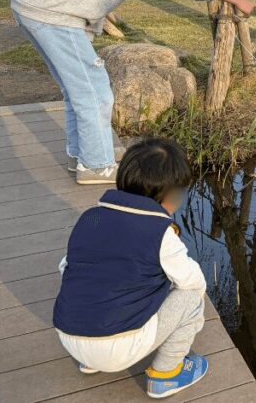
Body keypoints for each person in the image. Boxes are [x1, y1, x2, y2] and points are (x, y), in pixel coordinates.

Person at [11, 0, 255, 185]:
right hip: (51, 13)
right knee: (95, 91)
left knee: (80, 89)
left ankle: (83, 156)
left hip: (36, 6)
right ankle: (96, 166)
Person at [54, 137, 209, 399]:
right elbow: (193, 282)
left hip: (70, 338)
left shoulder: (88, 218)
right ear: (169, 196)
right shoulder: (160, 233)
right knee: (192, 298)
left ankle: (90, 362)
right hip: (118, 349)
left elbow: (66, 267)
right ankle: (166, 375)